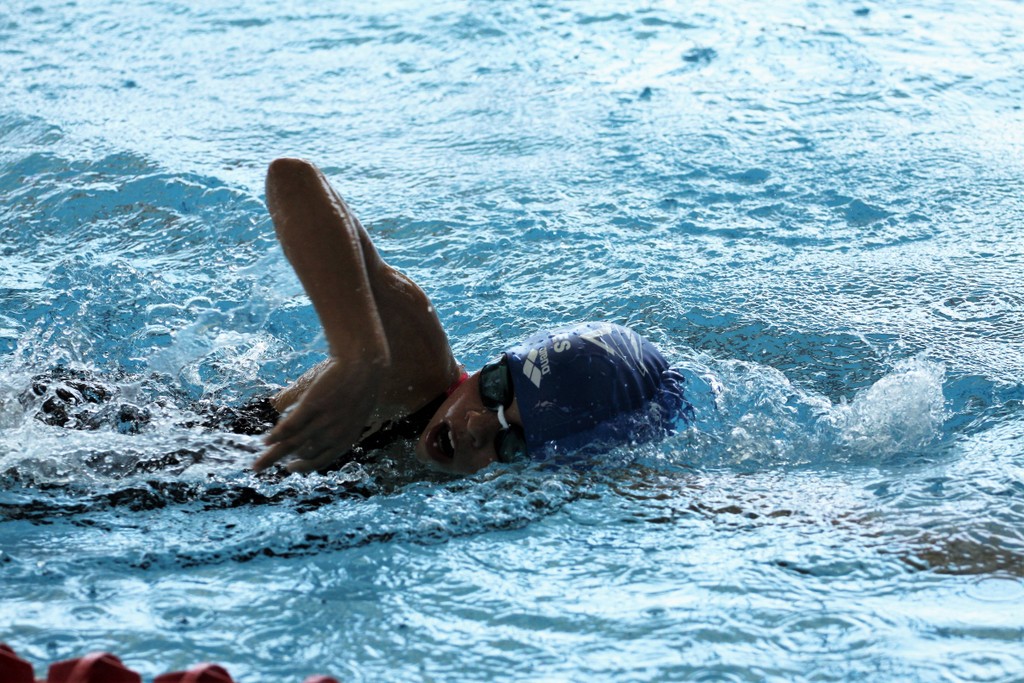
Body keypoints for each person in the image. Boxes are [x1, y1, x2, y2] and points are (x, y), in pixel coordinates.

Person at [245, 158, 687, 475]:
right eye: (496, 388)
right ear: (494, 363)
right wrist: (360, 356)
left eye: (512, 443)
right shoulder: (414, 370)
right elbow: (293, 179)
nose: (475, 425)